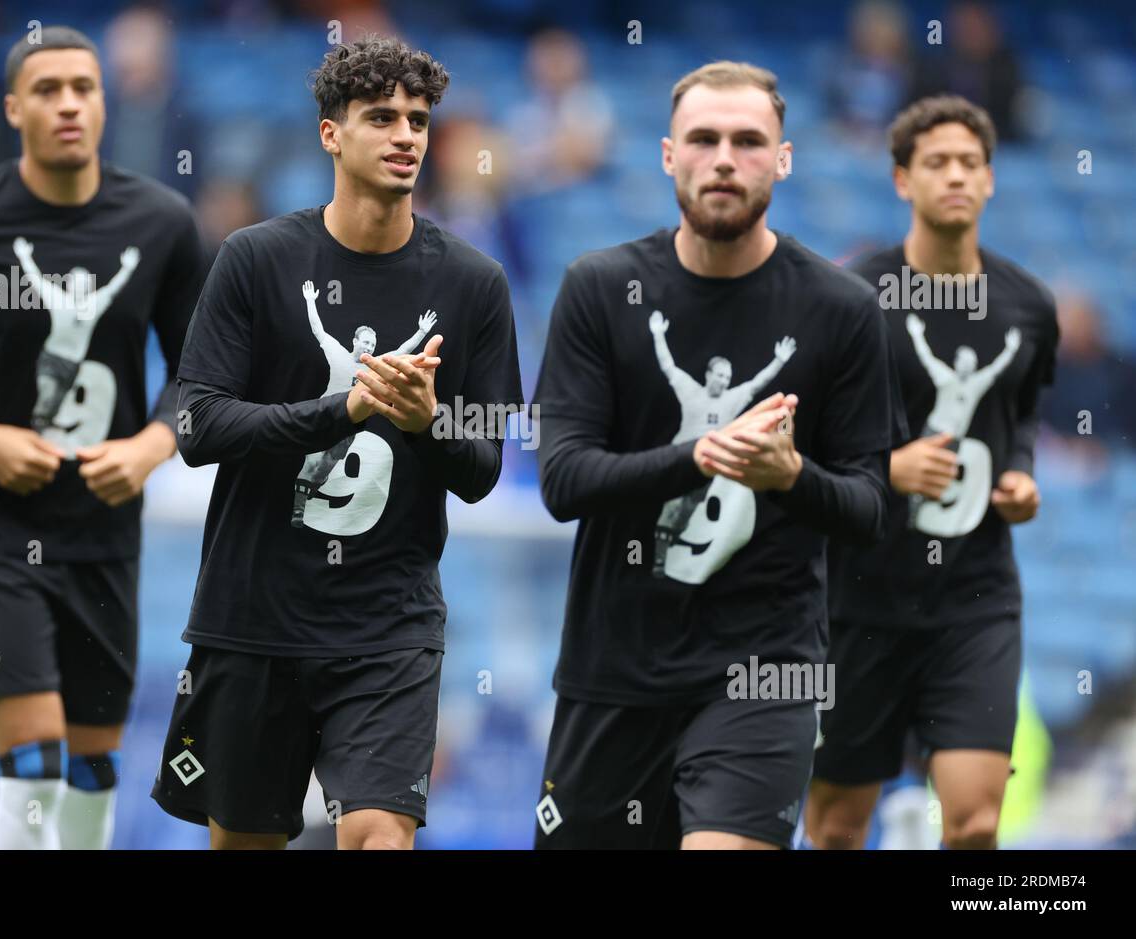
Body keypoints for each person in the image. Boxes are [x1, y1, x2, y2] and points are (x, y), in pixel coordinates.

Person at [150, 34, 523, 850]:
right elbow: (196, 426)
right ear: (330, 133)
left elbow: (484, 470)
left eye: (419, 120)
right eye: (381, 117)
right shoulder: (254, 259)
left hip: (387, 627)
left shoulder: (474, 285)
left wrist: (426, 424)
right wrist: (339, 410)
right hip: (252, 617)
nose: (406, 136)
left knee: (380, 838)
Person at [531, 61, 901, 850]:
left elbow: (871, 507)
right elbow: (563, 481)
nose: (724, 159)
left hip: (761, 676)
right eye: (703, 139)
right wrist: (701, 455)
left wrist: (790, 476)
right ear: (669, 155)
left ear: (783, 158)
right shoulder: (600, 290)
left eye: (748, 140)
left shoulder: (841, 310)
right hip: (613, 673)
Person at [0, 26, 207, 850]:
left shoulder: (163, 221)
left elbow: (203, 370)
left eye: (84, 88)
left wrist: (152, 446)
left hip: (102, 530)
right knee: (32, 754)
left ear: (104, 100)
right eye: (49, 89)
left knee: (92, 763)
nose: (68, 104)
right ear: (15, 107)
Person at [807, 95, 1059, 850]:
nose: (955, 175)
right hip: (859, 602)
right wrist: (889, 468)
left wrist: (1017, 475)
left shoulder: (1028, 307)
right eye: (936, 162)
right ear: (901, 181)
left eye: (970, 163)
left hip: (974, 601)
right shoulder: (852, 302)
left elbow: (1021, 418)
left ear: (990, 181)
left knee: (976, 820)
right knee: (837, 827)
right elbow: (808, 449)